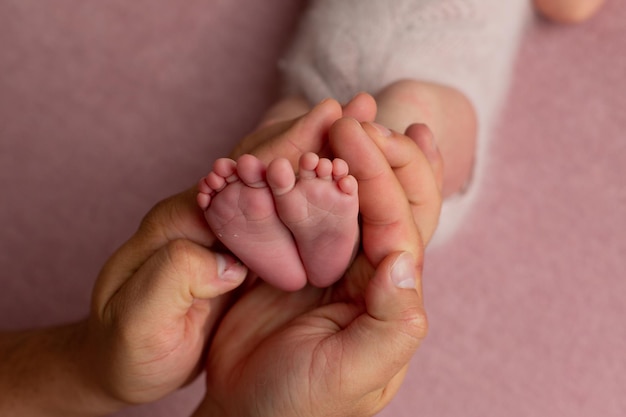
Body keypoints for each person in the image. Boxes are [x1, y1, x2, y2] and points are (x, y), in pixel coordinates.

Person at [0, 93, 443, 416]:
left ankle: (298, 206)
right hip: (357, 175)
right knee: (405, 118)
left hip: (321, 141)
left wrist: (91, 366)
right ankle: (321, 209)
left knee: (303, 115)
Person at [278, 0, 605, 244]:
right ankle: (266, 212)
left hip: (435, 87)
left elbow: (571, 7)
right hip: (318, 83)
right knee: (282, 133)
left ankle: (354, 218)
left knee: (410, 109)